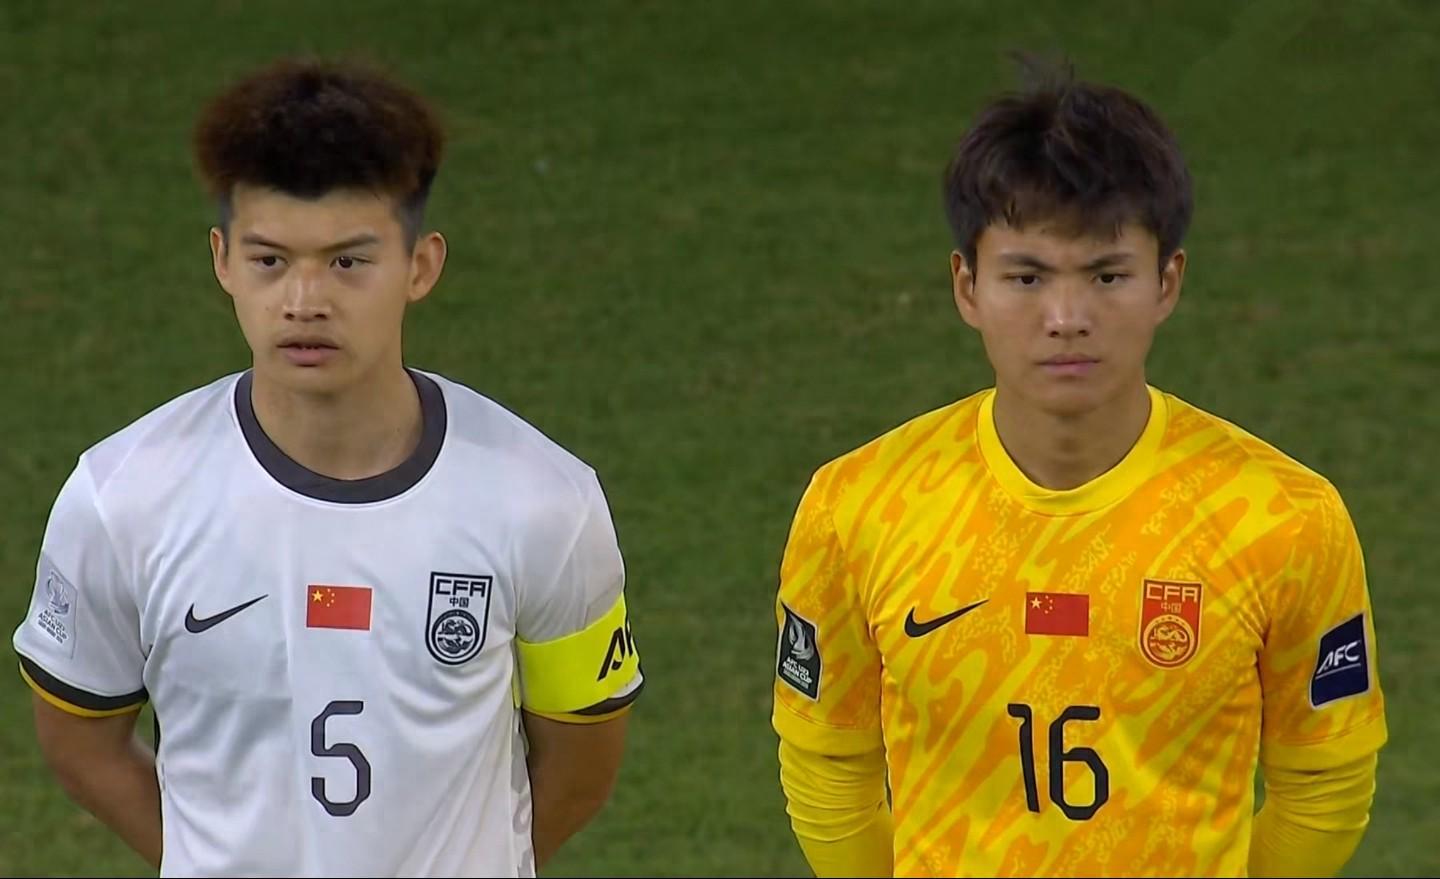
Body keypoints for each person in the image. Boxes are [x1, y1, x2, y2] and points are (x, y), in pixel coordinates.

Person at [13, 56, 642, 877]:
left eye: (348, 262)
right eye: (270, 260)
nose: (304, 300)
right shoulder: (120, 498)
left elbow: (584, 758)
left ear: (420, 266)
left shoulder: (545, 501)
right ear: (222, 260)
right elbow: (80, 742)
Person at [771, 57, 1386, 878]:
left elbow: (1324, 787)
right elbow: (827, 767)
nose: (1065, 317)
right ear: (966, 286)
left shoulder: (1284, 519)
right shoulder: (858, 507)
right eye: (1026, 276)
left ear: (1167, 281)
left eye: (1106, 274)